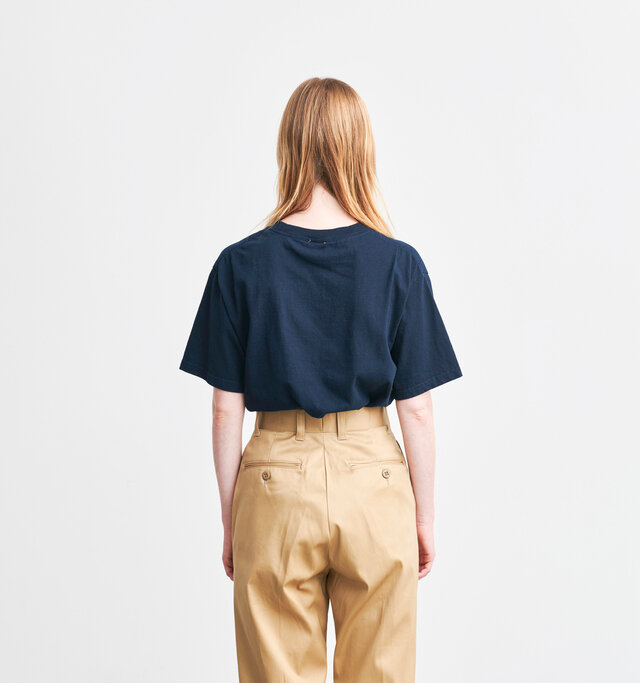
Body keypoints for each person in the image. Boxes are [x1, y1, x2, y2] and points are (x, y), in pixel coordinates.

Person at [179, 77, 462, 683]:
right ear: (360, 148)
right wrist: (424, 517)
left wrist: (233, 518)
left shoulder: (239, 264)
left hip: (275, 480)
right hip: (374, 478)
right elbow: (416, 408)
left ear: (289, 147)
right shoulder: (398, 263)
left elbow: (225, 410)